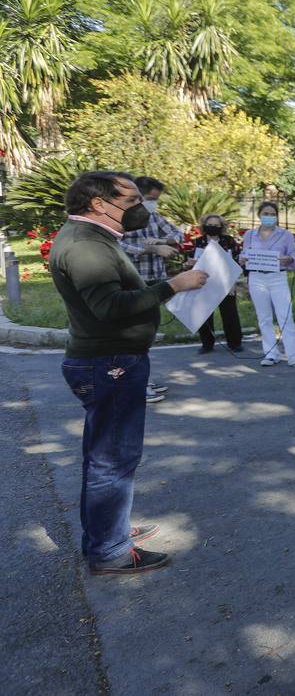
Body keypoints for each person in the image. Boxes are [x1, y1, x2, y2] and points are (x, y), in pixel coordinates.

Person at [49, 171, 208, 574]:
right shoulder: (85, 245)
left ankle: (108, 530)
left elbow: (119, 290)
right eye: (132, 200)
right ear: (100, 204)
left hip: (110, 361)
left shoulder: (94, 239)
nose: (141, 207)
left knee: (104, 455)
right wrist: (172, 286)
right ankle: (110, 551)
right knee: (113, 460)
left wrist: (171, 282)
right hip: (110, 363)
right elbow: (110, 307)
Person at [118, 175, 181, 402]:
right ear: (137, 196)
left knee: (146, 335)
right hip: (134, 282)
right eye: (150, 199)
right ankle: (136, 385)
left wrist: (165, 242)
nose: (153, 203)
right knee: (134, 335)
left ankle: (143, 378)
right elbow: (118, 245)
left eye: (156, 200)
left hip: (157, 281)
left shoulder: (153, 215)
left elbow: (177, 233)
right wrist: (149, 250)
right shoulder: (122, 218)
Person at [241, 201, 295, 369]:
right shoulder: (250, 235)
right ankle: (271, 354)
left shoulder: (285, 235)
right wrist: (242, 258)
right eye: (266, 214)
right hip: (257, 277)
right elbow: (243, 254)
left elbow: (293, 256)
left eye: (272, 214)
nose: (269, 217)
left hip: (277, 276)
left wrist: (287, 259)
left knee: (285, 316)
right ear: (259, 215)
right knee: (264, 317)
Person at [187, 214, 244, 356]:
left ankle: (235, 343)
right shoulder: (197, 242)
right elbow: (188, 261)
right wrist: (189, 263)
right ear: (204, 226)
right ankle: (207, 344)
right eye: (209, 225)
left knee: (230, 313)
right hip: (204, 282)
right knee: (204, 314)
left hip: (225, 282)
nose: (212, 227)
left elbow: (237, 260)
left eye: (216, 225)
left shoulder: (228, 241)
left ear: (221, 227)